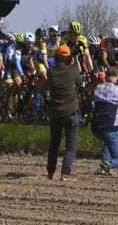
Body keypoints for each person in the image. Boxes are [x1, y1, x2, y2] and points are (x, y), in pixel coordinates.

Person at [46, 44, 82, 180]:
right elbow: (80, 82)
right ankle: (65, 172)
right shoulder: (73, 71)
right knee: (70, 146)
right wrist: (76, 58)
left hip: (55, 113)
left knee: (54, 144)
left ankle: (50, 171)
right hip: (71, 112)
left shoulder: (51, 72)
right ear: (68, 58)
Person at [91, 67, 118, 174]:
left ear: (106, 76)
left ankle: (104, 164)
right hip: (110, 128)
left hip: (95, 127)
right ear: (117, 77)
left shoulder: (97, 88)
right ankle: (107, 164)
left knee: (108, 141)